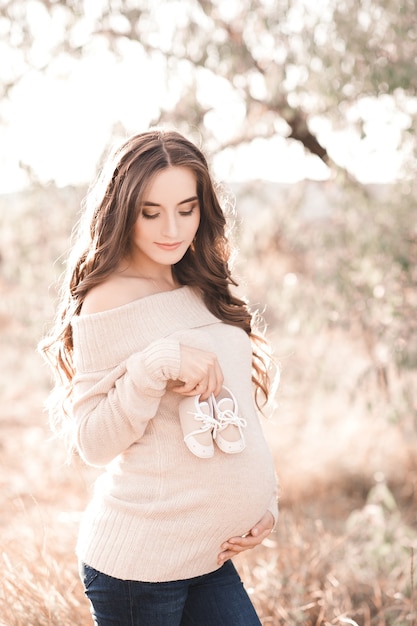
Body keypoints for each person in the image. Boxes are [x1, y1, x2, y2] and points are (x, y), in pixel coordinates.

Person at [39, 128, 278, 626]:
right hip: (141, 568)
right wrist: (156, 364)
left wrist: (264, 501)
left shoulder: (199, 280)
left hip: (208, 554)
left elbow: (237, 409)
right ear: (123, 210)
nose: (172, 228)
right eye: (151, 212)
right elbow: (94, 443)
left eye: (186, 209)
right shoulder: (109, 296)